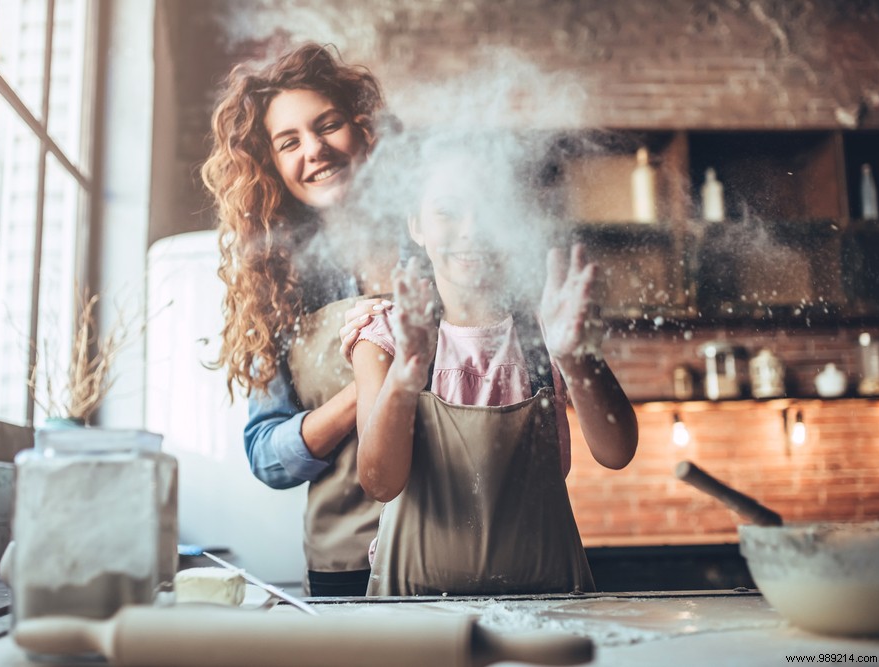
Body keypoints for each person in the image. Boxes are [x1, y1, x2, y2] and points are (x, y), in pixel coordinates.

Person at [351, 134, 639, 596]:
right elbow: (380, 483)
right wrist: (407, 374)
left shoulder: (552, 325)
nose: (471, 230)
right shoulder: (387, 337)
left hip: (548, 601)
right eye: (448, 210)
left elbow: (617, 451)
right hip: (413, 614)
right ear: (416, 225)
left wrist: (575, 357)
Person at [201, 43, 397, 596]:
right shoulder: (272, 284)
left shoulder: (432, 235)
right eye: (289, 142)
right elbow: (267, 457)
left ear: (362, 129)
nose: (314, 149)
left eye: (327, 124)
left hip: (464, 546)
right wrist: (367, 391)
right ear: (271, 164)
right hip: (350, 565)